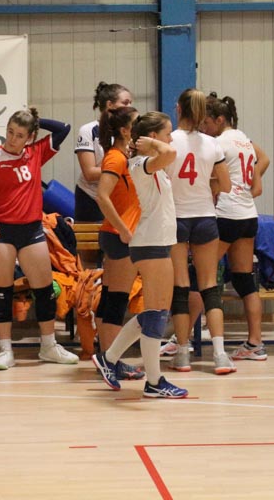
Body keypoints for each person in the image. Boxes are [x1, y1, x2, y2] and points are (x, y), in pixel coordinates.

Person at [0, 107, 79, 370]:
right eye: (10, 132)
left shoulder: (36, 152)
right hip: (0, 232)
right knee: (2, 291)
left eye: (19, 135)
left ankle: (48, 346)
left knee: (45, 290)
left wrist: (36, 119)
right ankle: (5, 351)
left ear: (30, 137)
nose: (12, 139)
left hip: (31, 231)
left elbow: (63, 128)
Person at [93, 112, 188, 398]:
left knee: (153, 314)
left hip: (158, 241)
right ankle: (154, 382)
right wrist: (152, 144)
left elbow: (168, 153)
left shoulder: (150, 163)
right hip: (149, 243)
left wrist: (153, 144)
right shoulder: (140, 163)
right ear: (153, 137)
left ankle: (109, 358)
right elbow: (170, 152)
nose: (171, 139)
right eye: (167, 133)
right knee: (157, 313)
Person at [164, 89, 233, 375]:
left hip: (176, 219)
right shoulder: (213, 144)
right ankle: (220, 355)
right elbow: (226, 186)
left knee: (181, 288)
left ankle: (182, 355)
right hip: (205, 217)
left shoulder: (168, 142)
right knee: (209, 287)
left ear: (179, 109)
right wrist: (208, 183)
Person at [203, 94, 270, 363]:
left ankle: (179, 340)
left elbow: (212, 178)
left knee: (202, 277)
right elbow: (263, 160)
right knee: (244, 280)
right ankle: (255, 343)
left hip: (226, 214)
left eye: (207, 122)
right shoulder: (244, 140)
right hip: (248, 215)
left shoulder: (218, 143)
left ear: (219, 120)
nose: (204, 127)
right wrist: (253, 184)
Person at [93, 105, 144, 380]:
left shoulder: (125, 156)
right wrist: (124, 229)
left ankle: (106, 357)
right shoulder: (115, 158)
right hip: (119, 236)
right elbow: (102, 196)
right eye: (137, 123)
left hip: (116, 234)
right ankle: (110, 361)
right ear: (125, 131)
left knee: (109, 298)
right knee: (117, 301)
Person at [74, 82, 133, 223]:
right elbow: (89, 173)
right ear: (110, 105)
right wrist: (121, 167)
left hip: (119, 195)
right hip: (91, 198)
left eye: (131, 103)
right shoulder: (89, 130)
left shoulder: (130, 130)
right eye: (125, 103)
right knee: (94, 237)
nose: (130, 107)